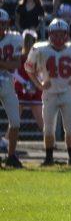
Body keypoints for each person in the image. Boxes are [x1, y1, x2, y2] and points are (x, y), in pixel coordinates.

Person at [25, 18, 71, 167]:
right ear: (50, 34)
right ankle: (49, 158)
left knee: (70, 126)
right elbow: (29, 69)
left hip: (67, 92)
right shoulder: (40, 48)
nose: (59, 38)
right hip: (49, 93)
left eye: (62, 34)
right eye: (56, 34)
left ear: (67, 35)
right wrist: (39, 84)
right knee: (48, 127)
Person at [0, 10, 23, 168]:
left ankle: (11, 156)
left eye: (2, 24)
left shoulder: (13, 38)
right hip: (6, 77)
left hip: (7, 81)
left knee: (15, 121)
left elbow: (16, 64)